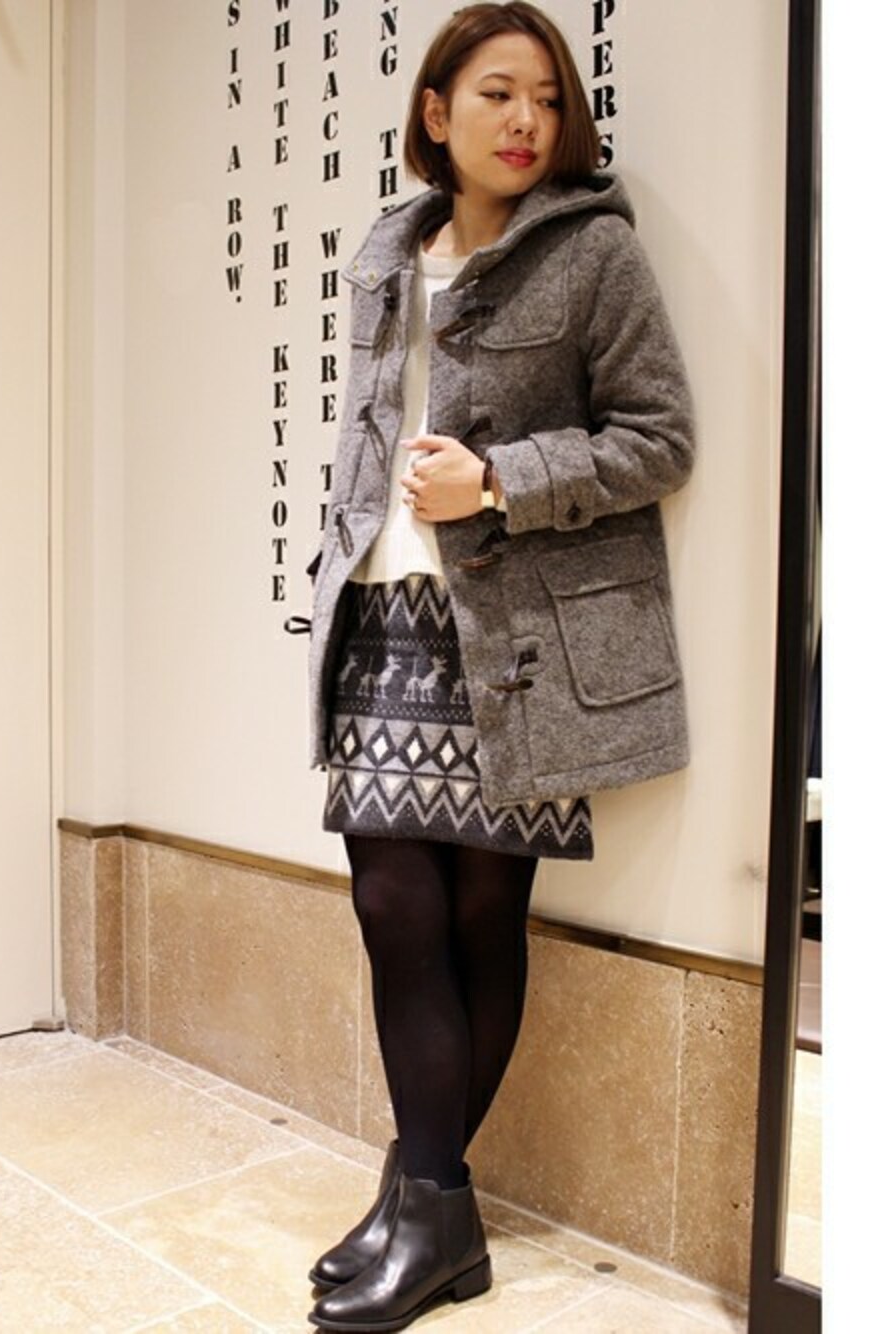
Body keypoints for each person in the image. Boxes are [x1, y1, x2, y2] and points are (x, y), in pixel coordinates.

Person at [296, 3, 695, 1328]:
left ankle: (427, 1210)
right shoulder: (388, 252)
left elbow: (658, 438)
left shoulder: (592, 253)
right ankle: (430, 1204)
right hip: (385, 612)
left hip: (517, 631)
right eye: (498, 94)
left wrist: (500, 480)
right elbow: (372, 429)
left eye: (548, 98)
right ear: (437, 111)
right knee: (391, 907)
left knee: (478, 917)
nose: (527, 121)